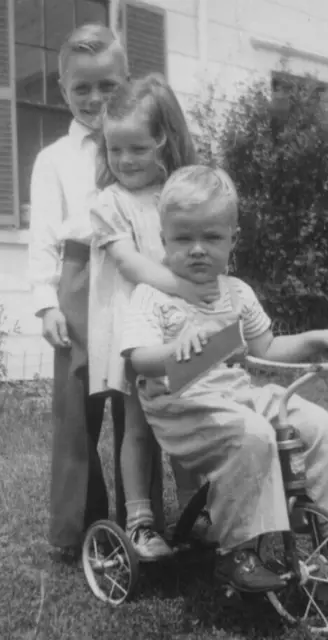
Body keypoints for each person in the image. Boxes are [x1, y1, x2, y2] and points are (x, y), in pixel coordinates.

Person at [120, 165, 328, 591]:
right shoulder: (154, 296)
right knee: (254, 435)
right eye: (183, 238)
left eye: (211, 238)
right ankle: (238, 551)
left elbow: (266, 348)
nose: (197, 250)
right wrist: (175, 350)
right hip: (180, 407)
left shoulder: (237, 292)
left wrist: (313, 339)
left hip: (234, 396)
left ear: (232, 241)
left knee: (312, 422)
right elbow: (139, 361)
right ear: (164, 241)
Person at [88, 75, 218, 560]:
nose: (124, 160)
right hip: (134, 333)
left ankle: (192, 512)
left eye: (137, 148)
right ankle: (140, 520)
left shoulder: (179, 194)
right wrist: (188, 287)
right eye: (114, 149)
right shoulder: (109, 203)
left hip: (181, 329)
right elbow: (131, 264)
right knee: (139, 426)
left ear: (165, 138)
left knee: (184, 417)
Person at [28, 24, 134, 561]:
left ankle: (140, 519)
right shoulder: (53, 158)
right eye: (82, 89)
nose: (96, 99)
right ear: (62, 89)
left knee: (133, 399)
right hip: (76, 276)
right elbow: (44, 233)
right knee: (76, 408)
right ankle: (80, 525)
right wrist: (47, 303)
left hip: (130, 275)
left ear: (127, 82)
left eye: (109, 86)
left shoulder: (139, 148)